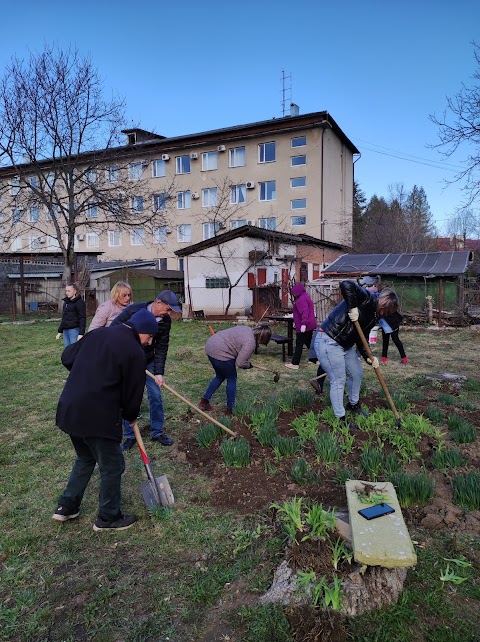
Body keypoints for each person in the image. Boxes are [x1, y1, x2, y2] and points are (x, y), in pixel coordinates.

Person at [53, 308, 159, 531]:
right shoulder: (134, 353)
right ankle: (108, 517)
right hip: (97, 416)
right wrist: (130, 417)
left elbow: (67, 357)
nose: (149, 343)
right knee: (113, 465)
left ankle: (66, 506)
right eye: (150, 337)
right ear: (142, 331)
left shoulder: (98, 334)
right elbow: (133, 394)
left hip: (71, 409)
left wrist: (89, 370)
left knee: (85, 457)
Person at [314, 280, 400, 430]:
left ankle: (353, 404)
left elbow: (362, 341)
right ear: (383, 305)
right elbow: (346, 284)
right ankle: (340, 418)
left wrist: (369, 358)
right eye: (385, 313)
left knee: (357, 373)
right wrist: (352, 307)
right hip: (329, 339)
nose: (384, 316)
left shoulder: (374, 316)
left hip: (345, 345)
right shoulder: (367, 298)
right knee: (338, 379)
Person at [110, 290, 182, 450]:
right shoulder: (134, 311)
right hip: (128, 360)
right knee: (128, 397)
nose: (169, 313)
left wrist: (159, 372)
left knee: (155, 395)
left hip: (147, 360)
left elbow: (162, 347)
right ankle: (129, 435)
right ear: (158, 303)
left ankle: (157, 431)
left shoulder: (165, 321)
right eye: (168, 309)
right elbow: (113, 329)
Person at [199, 323, 272, 415]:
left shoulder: (246, 328)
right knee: (231, 379)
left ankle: (204, 401)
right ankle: (230, 409)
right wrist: (248, 365)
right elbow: (240, 363)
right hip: (221, 352)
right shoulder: (250, 343)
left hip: (211, 345)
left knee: (220, 376)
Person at [285, 282, 318, 371]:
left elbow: (305, 312)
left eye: (294, 292)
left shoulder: (301, 300)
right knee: (309, 342)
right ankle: (315, 359)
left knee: (299, 344)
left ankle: (295, 363)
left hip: (304, 326)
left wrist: (303, 324)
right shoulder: (305, 296)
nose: (293, 294)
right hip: (309, 325)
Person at [56, 283, 86, 347]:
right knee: (67, 350)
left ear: (75, 291)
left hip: (74, 331)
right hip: (65, 331)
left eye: (69, 291)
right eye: (66, 291)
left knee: (74, 350)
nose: (67, 293)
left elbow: (82, 318)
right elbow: (64, 317)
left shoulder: (80, 303)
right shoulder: (66, 302)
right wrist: (60, 331)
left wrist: (81, 333)